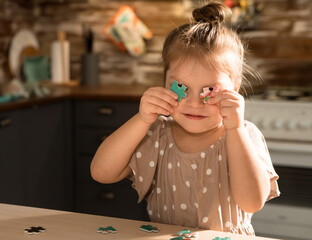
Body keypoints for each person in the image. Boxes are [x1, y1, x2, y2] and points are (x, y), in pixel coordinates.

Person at [90, 2, 279, 236]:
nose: (194, 103)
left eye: (209, 90)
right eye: (181, 88)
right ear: (165, 84)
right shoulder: (155, 134)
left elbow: (252, 202)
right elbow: (101, 173)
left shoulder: (244, 135)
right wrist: (141, 119)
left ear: (234, 90)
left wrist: (237, 129)